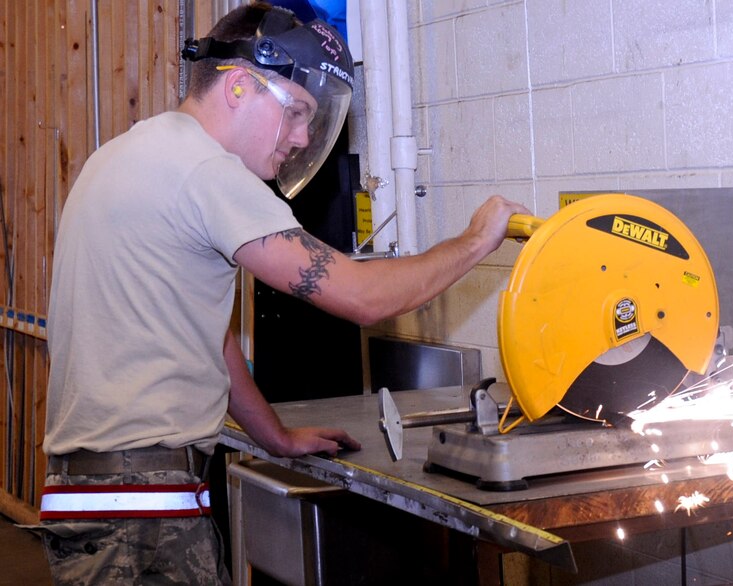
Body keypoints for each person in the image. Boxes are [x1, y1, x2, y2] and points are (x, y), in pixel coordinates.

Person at [36, 3, 529, 584]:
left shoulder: (126, 154)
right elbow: (363, 298)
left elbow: (201, 331)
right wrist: (475, 242)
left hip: (91, 493)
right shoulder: (206, 172)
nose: (300, 139)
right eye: (295, 112)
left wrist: (272, 434)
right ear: (240, 86)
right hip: (141, 513)